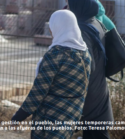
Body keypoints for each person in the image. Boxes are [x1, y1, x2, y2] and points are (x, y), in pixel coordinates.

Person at [11, 10, 91, 139]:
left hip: (50, 115)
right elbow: (84, 88)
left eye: (52, 27)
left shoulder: (56, 54)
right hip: (72, 114)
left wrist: (19, 116)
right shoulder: (85, 54)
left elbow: (39, 89)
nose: (50, 31)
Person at [68, 0, 114, 139]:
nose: (68, 9)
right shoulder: (95, 22)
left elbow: (87, 64)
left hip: (89, 90)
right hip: (99, 85)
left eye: (70, 6)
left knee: (97, 132)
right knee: (93, 131)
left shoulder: (81, 29)